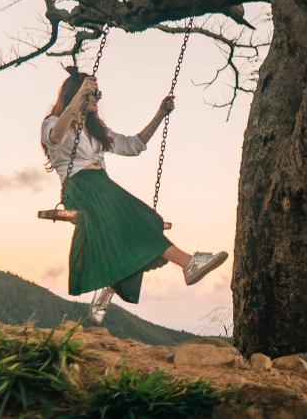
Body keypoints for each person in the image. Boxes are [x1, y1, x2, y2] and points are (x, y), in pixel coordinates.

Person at [41, 66, 227, 325]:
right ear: (77, 94)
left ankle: (112, 286)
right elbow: (56, 137)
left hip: (102, 187)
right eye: (92, 94)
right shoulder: (53, 122)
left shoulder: (96, 131)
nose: (97, 99)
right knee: (140, 221)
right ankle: (189, 262)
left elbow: (133, 145)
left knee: (149, 220)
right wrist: (78, 98)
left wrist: (160, 115)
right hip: (81, 188)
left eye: (98, 94)